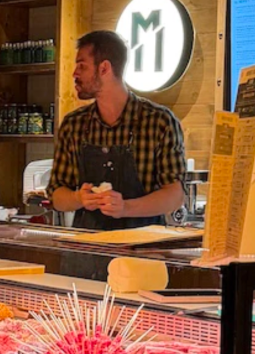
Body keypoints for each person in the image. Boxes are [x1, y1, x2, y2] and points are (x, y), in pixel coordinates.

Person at [48, 30, 186, 230]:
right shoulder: (73, 125)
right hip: (88, 245)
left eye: (82, 66)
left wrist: (125, 208)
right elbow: (56, 195)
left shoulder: (159, 122)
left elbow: (175, 195)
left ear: (104, 68)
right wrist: (78, 198)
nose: (74, 74)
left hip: (143, 246)